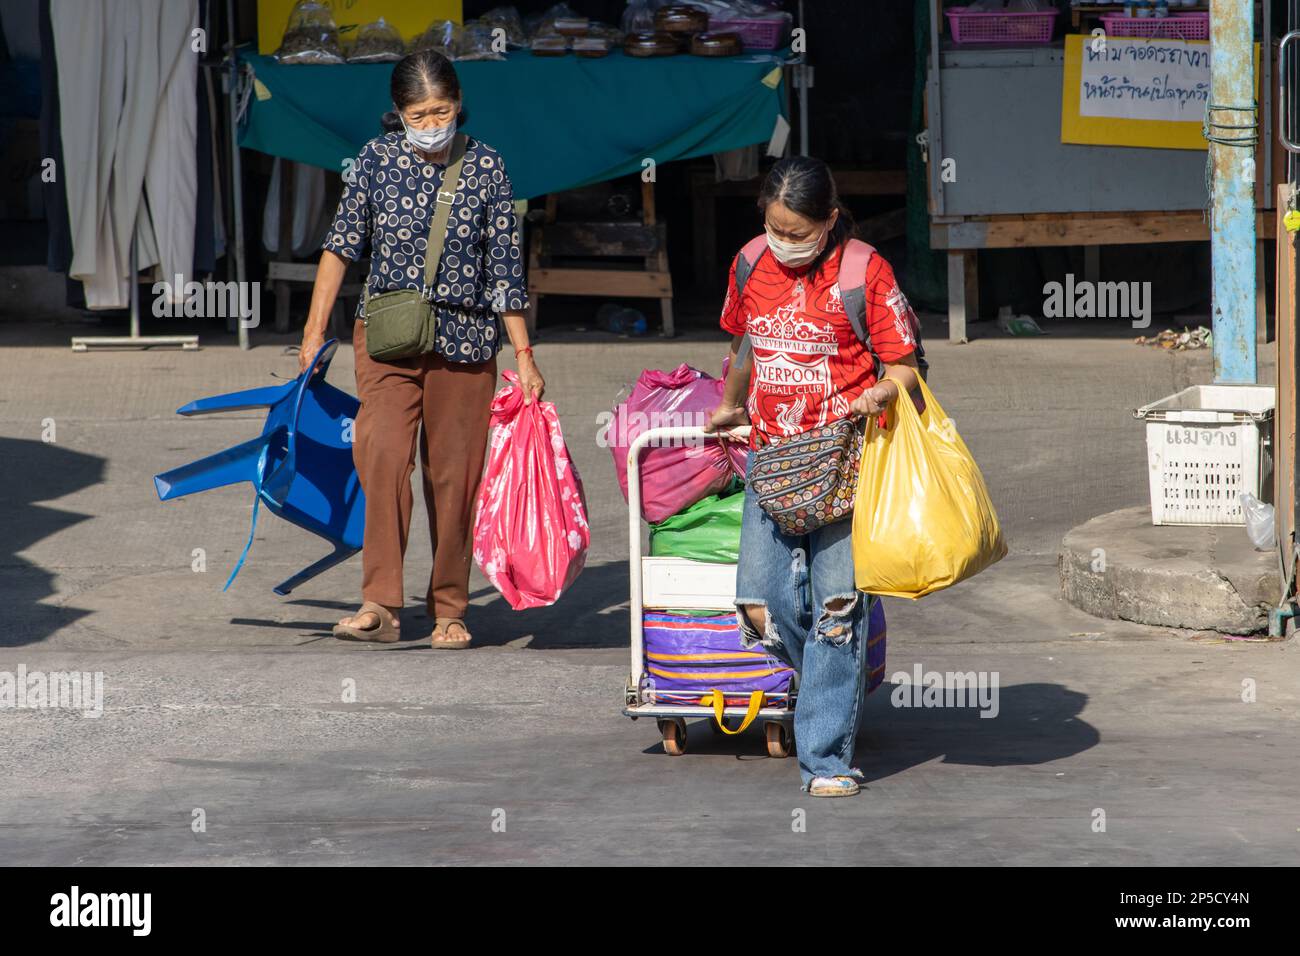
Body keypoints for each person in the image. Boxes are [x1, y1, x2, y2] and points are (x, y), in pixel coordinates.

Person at [299, 49, 543, 649]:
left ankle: (450, 608)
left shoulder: (487, 167)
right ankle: (380, 603)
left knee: (454, 476)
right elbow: (339, 246)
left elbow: (506, 273)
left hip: (465, 342)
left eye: (443, 110)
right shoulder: (374, 163)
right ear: (398, 113)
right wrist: (313, 331)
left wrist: (525, 357)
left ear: (459, 105)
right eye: (420, 112)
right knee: (380, 455)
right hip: (388, 337)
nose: (432, 122)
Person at [707, 156, 921, 796]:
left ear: (830, 220)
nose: (786, 242)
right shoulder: (748, 262)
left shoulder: (864, 272)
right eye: (776, 227)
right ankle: (834, 683)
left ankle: (825, 757)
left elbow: (905, 365)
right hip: (771, 465)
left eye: (800, 231)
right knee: (764, 606)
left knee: (836, 612)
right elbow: (744, 344)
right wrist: (729, 402)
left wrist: (879, 395)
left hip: (847, 469)